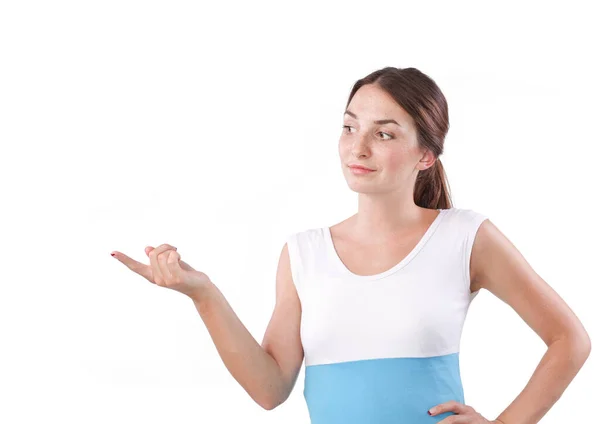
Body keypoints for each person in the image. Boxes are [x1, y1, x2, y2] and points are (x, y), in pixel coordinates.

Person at [111, 67, 591, 423]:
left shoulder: (464, 237)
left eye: (383, 134)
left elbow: (570, 340)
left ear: (425, 154)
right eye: (349, 127)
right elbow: (270, 387)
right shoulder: (304, 254)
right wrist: (203, 294)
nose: (357, 148)